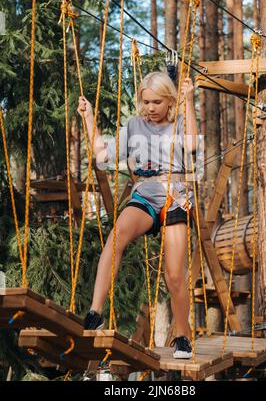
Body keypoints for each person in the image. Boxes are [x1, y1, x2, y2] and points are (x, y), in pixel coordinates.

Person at [77, 71, 198, 359]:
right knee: (116, 238)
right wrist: (89, 118)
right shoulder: (134, 126)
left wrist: (189, 101)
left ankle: (182, 335)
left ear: (169, 101)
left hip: (175, 198)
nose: (151, 108)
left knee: (173, 274)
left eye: (157, 102)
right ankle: (96, 311)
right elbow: (102, 155)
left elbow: (192, 145)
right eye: (146, 102)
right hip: (145, 194)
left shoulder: (181, 122)